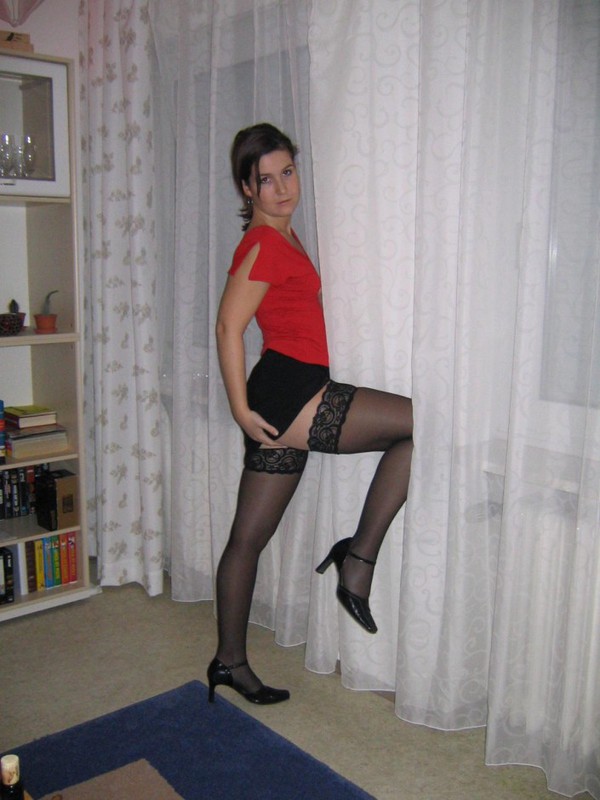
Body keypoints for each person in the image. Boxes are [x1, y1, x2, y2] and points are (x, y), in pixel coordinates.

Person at [207, 122, 413, 705]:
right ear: (247, 188)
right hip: (289, 391)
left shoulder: (282, 237)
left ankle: (228, 661)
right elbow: (227, 326)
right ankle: (357, 559)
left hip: (288, 388)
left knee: (248, 537)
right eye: (266, 180)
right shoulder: (265, 244)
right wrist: (240, 408)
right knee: (420, 426)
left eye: (288, 173)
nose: (281, 188)